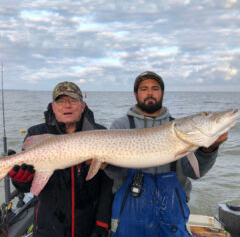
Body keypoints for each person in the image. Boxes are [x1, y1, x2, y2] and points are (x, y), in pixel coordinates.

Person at [105, 71, 228, 237]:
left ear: (162, 93)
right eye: (144, 89)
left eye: (155, 88)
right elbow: (117, 173)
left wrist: (208, 149)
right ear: (136, 94)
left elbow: (193, 172)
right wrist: (107, 164)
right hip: (129, 212)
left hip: (172, 213)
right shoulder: (121, 125)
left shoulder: (180, 128)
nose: (149, 93)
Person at [8, 81, 113, 237]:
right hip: (48, 228)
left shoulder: (100, 133)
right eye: (61, 101)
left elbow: (107, 184)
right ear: (53, 107)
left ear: (82, 106)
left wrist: (102, 223)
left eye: (72, 100)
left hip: (87, 227)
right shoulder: (37, 132)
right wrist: (21, 181)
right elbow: (28, 184)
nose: (67, 105)